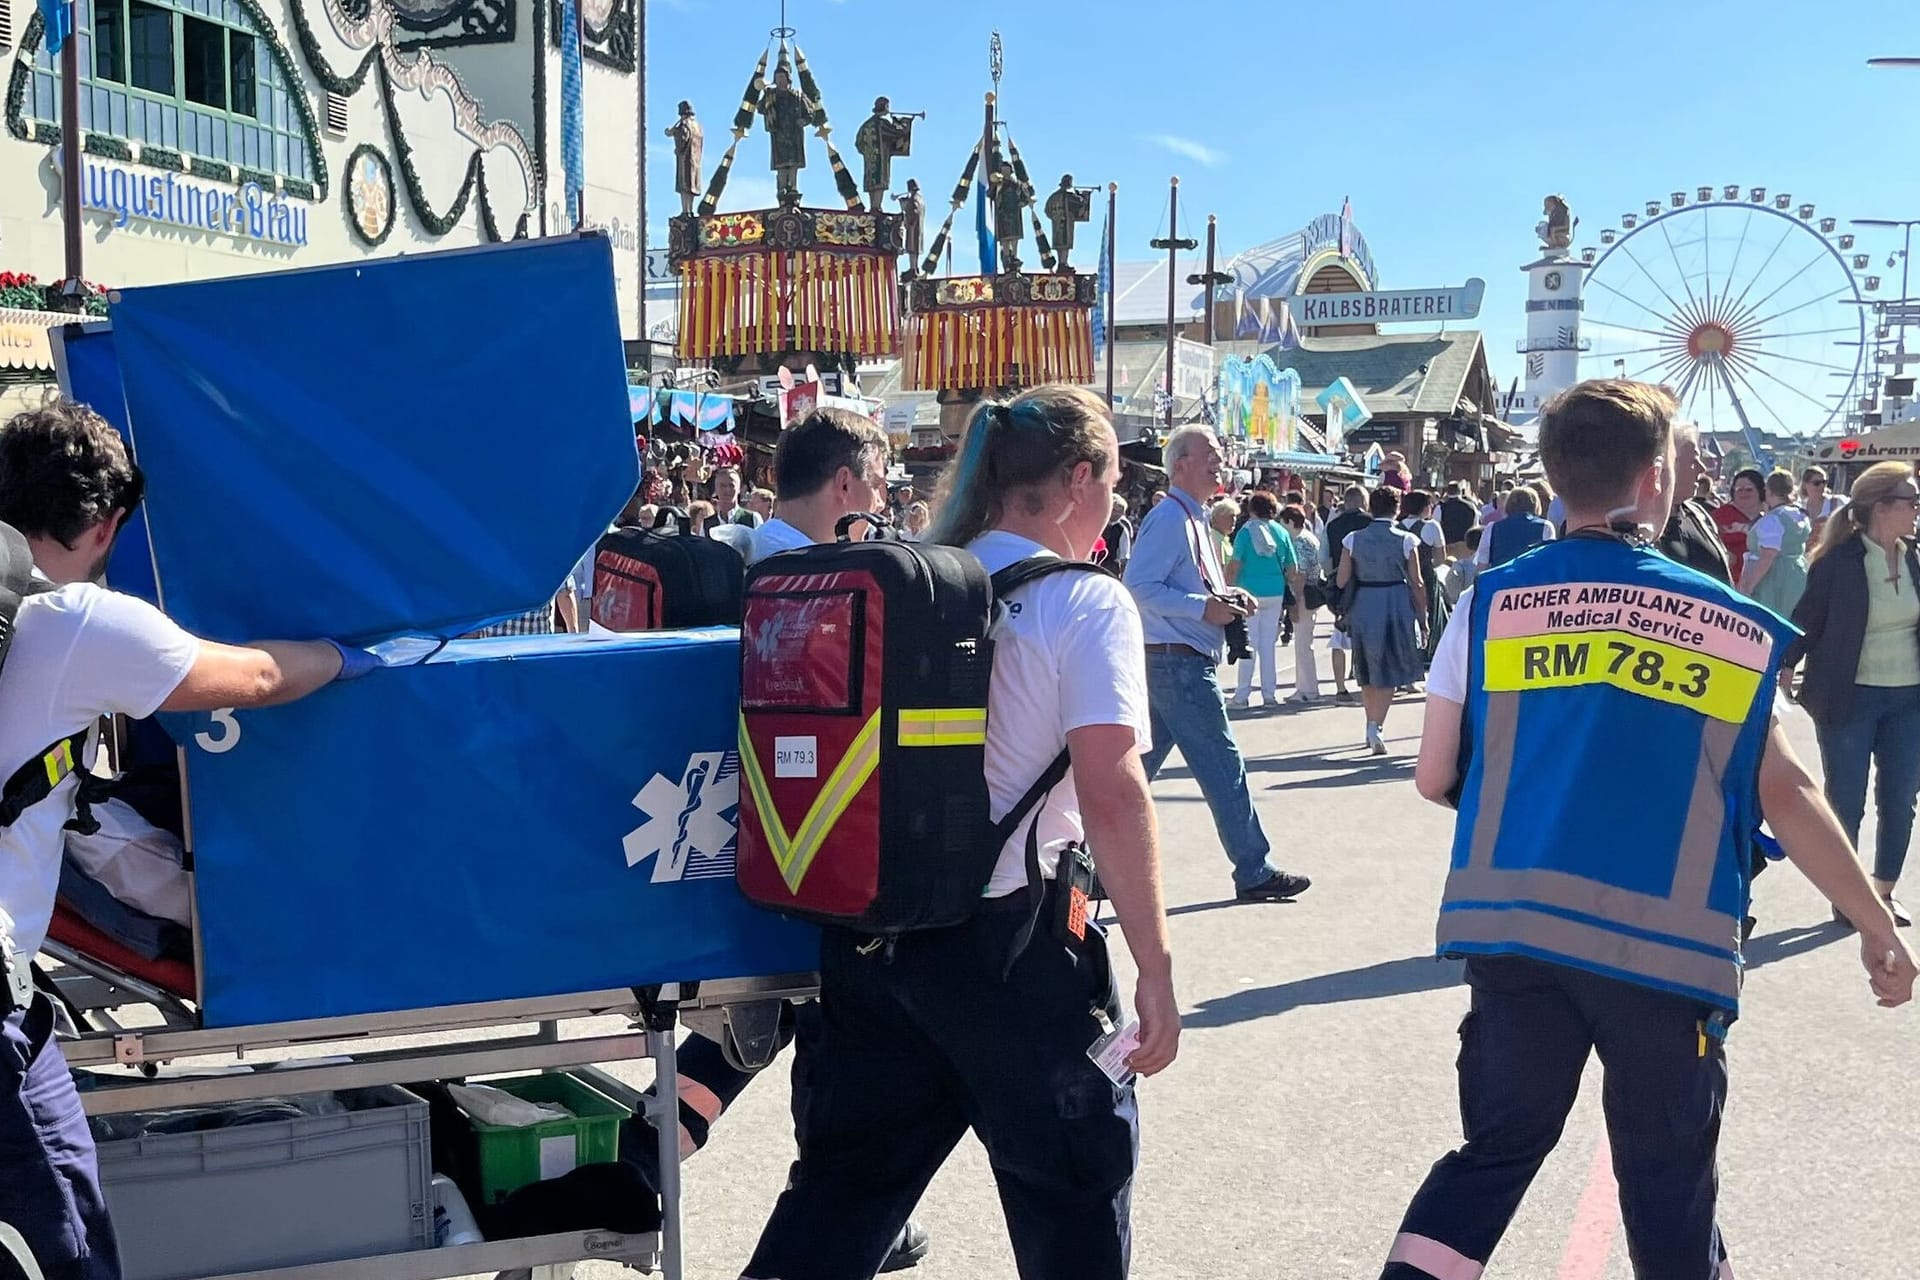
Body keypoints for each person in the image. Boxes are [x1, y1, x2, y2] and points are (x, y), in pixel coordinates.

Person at [1383, 380, 1917, 1280]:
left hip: (1515, 931)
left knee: (1493, 1157)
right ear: (1657, 475)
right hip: (1666, 951)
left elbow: (1436, 775)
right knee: (1667, 1187)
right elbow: (1786, 791)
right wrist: (1874, 923)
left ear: (1555, 476)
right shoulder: (1723, 627)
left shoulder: (1491, 604)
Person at [740, 386, 1178, 1280]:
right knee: (1072, 1206)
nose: (1116, 505)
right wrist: (1157, 965)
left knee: (838, 1202)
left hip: (877, 939)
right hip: (1012, 953)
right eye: (1114, 483)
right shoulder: (1083, 605)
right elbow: (1112, 787)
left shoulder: (923, 579)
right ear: (1079, 479)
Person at [0, 399, 378, 1280]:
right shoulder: (75, 623)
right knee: (70, 1249)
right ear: (107, 526)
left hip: (17, 997)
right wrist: (358, 655)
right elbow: (252, 676)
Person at [1125, 426, 1311, 903]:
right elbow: (1139, 586)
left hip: (1175, 663)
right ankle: (1253, 867)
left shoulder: (1192, 517)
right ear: (1180, 463)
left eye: (1219, 453)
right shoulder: (1172, 517)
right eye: (1209, 454)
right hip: (1178, 665)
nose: (1220, 461)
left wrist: (1224, 598)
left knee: (1134, 770)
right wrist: (1203, 607)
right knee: (1222, 766)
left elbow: (1177, 586)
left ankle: (1084, 855)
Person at [1783, 460, 1920, 929]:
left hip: (1909, 698)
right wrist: (1777, 665)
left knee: (1901, 797)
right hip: (1849, 697)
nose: (1917, 509)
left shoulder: (1916, 557)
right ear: (1882, 507)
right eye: (1911, 502)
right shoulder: (1838, 563)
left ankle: (1884, 891)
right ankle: (1848, 897)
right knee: (1847, 799)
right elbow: (1805, 622)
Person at [1335, 486, 1427, 756]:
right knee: (1390, 666)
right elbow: (1417, 582)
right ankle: (1377, 725)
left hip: (1364, 600)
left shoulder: (1352, 539)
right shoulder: (1407, 540)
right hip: (1396, 601)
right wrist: (1423, 615)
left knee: (1367, 664)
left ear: (1371, 508)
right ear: (1397, 509)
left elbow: (1341, 579)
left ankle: (1370, 723)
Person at [749, 409, 891, 565]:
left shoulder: (738, 559)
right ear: (844, 484)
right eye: (875, 485)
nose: (880, 503)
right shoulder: (830, 578)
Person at [1226, 491, 1300, 710]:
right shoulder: (1281, 531)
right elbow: (1292, 567)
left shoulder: (1245, 533)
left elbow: (1235, 564)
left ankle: (1242, 695)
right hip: (1275, 592)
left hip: (1249, 592)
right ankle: (1269, 695)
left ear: (1251, 510)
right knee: (1268, 644)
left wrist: (1228, 586)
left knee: (1249, 643)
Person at [1661, 421, 1736, 585]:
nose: (1702, 469)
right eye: (1694, 460)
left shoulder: (1699, 515)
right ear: (1669, 463)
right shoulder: (1638, 526)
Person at [1324, 485, 1372, 705]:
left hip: (1341, 585)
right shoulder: (1371, 523)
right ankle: (1367, 683)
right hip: (1368, 584)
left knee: (1339, 637)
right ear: (1364, 501)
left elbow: (1324, 558)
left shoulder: (1333, 525)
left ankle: (1340, 688)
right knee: (1368, 638)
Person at [1741, 470, 1811, 617]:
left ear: (1769, 491)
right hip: (1795, 575)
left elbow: (1768, 555)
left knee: (1767, 618)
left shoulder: (1774, 519)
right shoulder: (1799, 516)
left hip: (1772, 580)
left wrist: (1748, 587)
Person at [1279, 503, 1326, 703]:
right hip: (1312, 593)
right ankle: (1304, 688)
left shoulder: (1298, 542)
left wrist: (1295, 604)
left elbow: (1299, 575)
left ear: (1289, 522)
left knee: (1303, 645)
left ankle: (1308, 689)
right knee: (1304, 643)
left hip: (1304, 594)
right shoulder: (1309, 538)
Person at [1396, 490, 1450, 661]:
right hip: (1425, 574)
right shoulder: (1432, 526)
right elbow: (1441, 557)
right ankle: (1429, 650)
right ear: (1425, 507)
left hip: (1401, 576)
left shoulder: (1396, 526)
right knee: (1430, 611)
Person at [1476, 487, 1554, 569]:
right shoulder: (1546, 526)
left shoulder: (1492, 528)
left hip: (1501, 579)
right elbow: (1549, 562)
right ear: (1535, 505)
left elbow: (1482, 565)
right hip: (1533, 579)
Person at [1714, 466, 1765, 568]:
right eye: (1738, 489)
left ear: (1760, 491)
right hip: (1730, 578)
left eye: (1749, 489)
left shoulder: (1769, 518)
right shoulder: (1721, 515)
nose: (1743, 493)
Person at [1801, 465, 1846, 540]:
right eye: (1817, 483)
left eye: (1824, 482)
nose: (1822, 486)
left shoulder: (1837, 502)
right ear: (1805, 485)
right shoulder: (1799, 507)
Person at [1436, 481, 1477, 558]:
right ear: (1460, 491)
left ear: (1447, 492)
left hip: (1448, 544)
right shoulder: (1471, 506)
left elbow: (1436, 526)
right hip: (1465, 545)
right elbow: (1475, 526)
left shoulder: (1440, 507)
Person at [1100, 494, 1134, 577]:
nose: (1116, 514)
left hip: (1110, 566)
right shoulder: (1098, 524)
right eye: (1114, 510)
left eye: (1120, 512)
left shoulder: (1121, 529)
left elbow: (1124, 553)